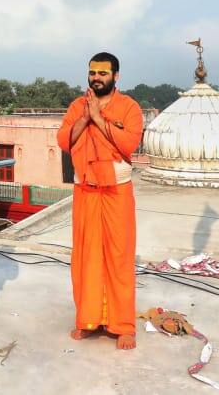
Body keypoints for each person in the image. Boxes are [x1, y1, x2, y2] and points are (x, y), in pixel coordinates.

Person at [56, 51, 144, 350]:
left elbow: (128, 143)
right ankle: (88, 320)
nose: (96, 78)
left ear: (115, 76)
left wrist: (98, 117)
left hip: (117, 191)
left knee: (119, 255)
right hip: (86, 190)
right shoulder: (77, 106)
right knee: (86, 256)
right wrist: (84, 117)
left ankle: (123, 325)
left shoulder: (129, 107)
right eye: (92, 72)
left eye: (103, 73)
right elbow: (64, 141)